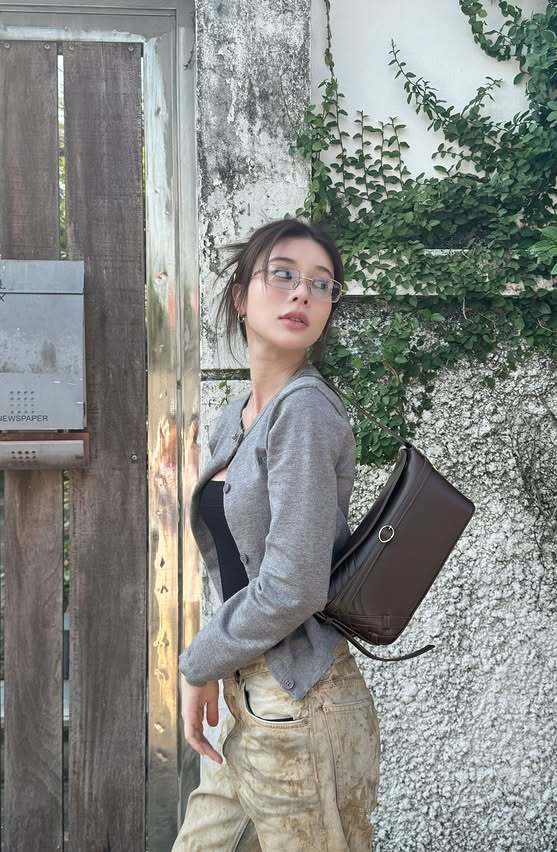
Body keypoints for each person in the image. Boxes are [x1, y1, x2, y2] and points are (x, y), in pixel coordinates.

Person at [172, 218, 381, 852]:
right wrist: (219, 666)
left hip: (300, 704)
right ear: (240, 295)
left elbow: (292, 586)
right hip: (248, 698)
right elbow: (239, 566)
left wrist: (199, 662)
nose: (301, 293)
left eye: (322, 284)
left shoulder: (305, 411)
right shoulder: (234, 419)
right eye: (283, 274)